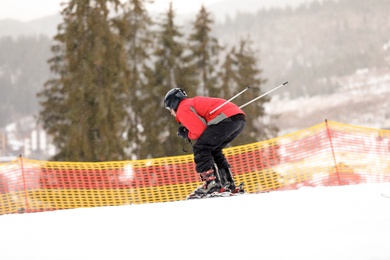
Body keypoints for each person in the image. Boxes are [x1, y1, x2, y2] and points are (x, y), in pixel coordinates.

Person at [164, 88, 246, 199]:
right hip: (238, 118)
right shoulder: (191, 102)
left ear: (173, 104)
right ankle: (227, 184)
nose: (171, 112)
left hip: (226, 119)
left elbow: (200, 131)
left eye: (169, 108)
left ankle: (212, 185)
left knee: (200, 148)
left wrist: (187, 134)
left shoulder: (182, 108)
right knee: (213, 150)